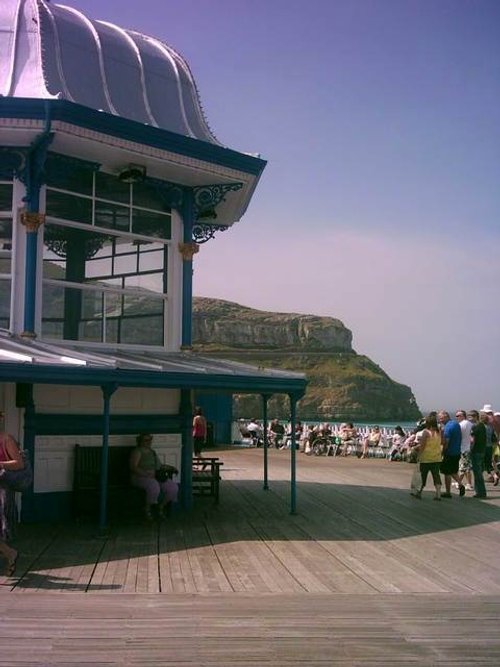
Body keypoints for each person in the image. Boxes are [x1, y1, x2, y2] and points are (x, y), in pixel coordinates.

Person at [129, 433, 179, 521]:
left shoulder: (152, 452)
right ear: (140, 441)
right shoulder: (137, 451)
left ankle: (161, 507)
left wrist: (170, 467)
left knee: (173, 488)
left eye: (150, 440)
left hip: (154, 476)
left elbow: (159, 466)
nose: (148, 442)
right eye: (146, 440)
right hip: (140, 477)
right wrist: (146, 474)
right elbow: (133, 467)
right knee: (153, 486)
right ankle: (147, 509)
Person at [0, 418, 22, 574]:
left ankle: (10, 553)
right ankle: (10, 554)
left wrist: (0, 464)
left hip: (2, 489)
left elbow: (18, 463)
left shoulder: (6, 439)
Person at [414, 413, 442, 500]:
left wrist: (418, 454)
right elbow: (441, 442)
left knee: (423, 475)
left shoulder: (426, 432)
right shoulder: (439, 431)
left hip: (426, 457)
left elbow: (422, 446)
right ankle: (438, 494)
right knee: (436, 476)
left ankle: (419, 492)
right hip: (437, 457)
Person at [437, 410, 465, 498]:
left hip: (450, 452)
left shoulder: (448, 428)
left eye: (441, 418)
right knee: (453, 470)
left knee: (447, 472)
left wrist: (442, 453)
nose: (440, 420)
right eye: (439, 418)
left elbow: (446, 443)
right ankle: (460, 484)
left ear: (446, 417)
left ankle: (448, 492)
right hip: (457, 451)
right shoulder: (456, 424)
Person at [469, 410, 487, 498]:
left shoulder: (474, 427)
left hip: (476, 451)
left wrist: (470, 450)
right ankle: (481, 491)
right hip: (482, 450)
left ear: (475, 417)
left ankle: (480, 492)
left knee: (477, 473)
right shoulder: (482, 426)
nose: (469, 419)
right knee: (479, 472)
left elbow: (472, 440)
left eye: (470, 417)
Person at [455, 410, 473, 491]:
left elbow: (458, 436)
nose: (457, 417)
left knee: (464, 467)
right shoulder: (470, 424)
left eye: (458, 416)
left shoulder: (461, 425)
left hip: (463, 448)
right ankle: (462, 482)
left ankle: (465, 483)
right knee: (466, 466)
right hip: (468, 447)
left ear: (463, 416)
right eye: (456, 416)